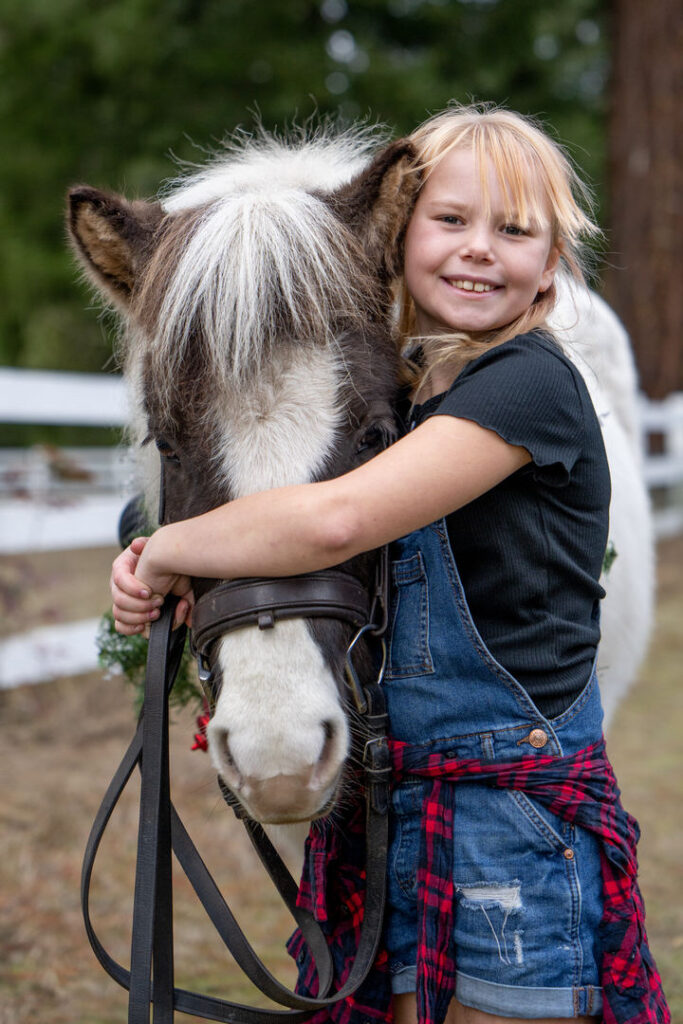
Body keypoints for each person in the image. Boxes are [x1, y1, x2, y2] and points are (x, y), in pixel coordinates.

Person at [110, 105, 668, 1024]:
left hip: (506, 813)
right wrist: (164, 537)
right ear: (400, 232)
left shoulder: (527, 387)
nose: (477, 251)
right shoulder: (412, 382)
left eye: (514, 230)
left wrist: (170, 548)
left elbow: (337, 517)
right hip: (401, 795)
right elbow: (278, 455)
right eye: (449, 222)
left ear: (555, 262)